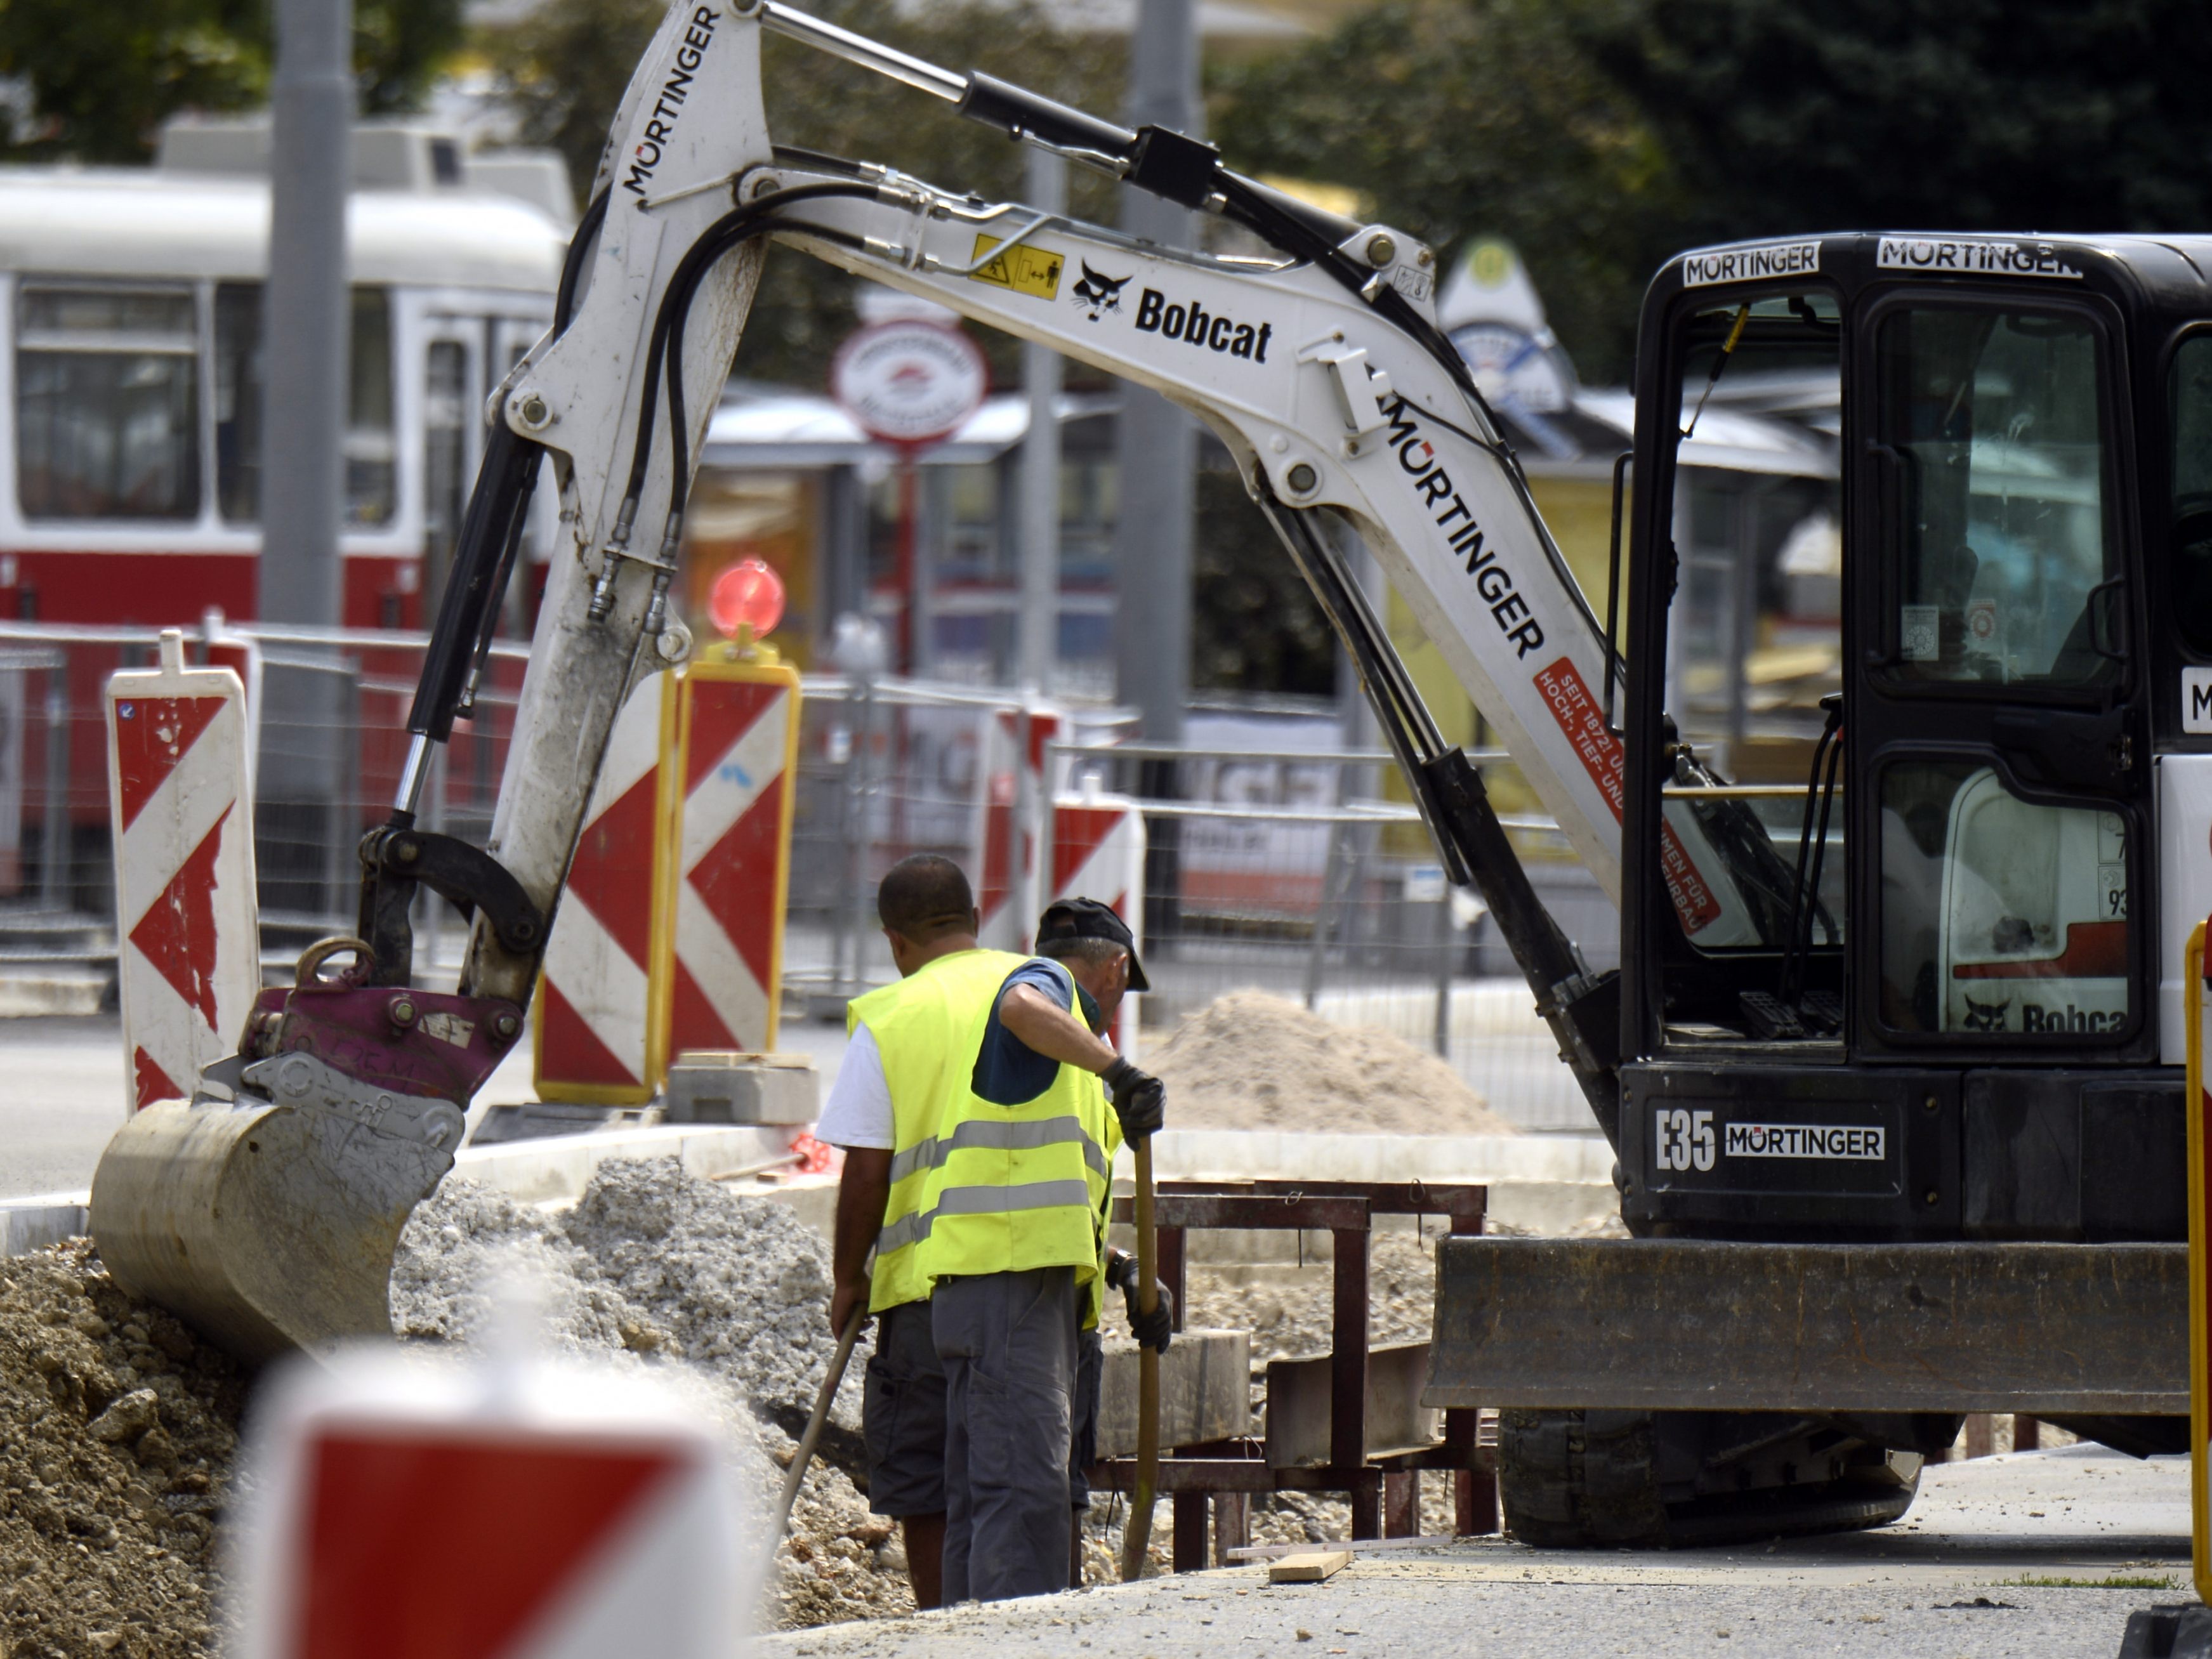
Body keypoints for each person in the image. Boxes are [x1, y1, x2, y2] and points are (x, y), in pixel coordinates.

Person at [918, 896, 1171, 1603]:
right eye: (1123, 985)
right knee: (1024, 1496)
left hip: (1003, 1289)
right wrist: (1120, 1070)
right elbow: (1022, 1005)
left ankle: (967, 1644)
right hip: (1009, 1289)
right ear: (1116, 968)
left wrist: (1123, 1271)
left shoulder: (1067, 1070)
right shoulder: (1046, 989)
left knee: (988, 1498)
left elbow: (1057, 1201)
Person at [818, 855, 1025, 1610]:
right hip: (1037, 1276)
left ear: (895, 939)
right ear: (973, 922)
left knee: (930, 1476)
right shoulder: (1040, 988)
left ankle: (943, 1627)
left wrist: (848, 1278)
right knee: (1021, 1472)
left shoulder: (896, 1014)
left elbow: (867, 1169)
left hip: (926, 1291)